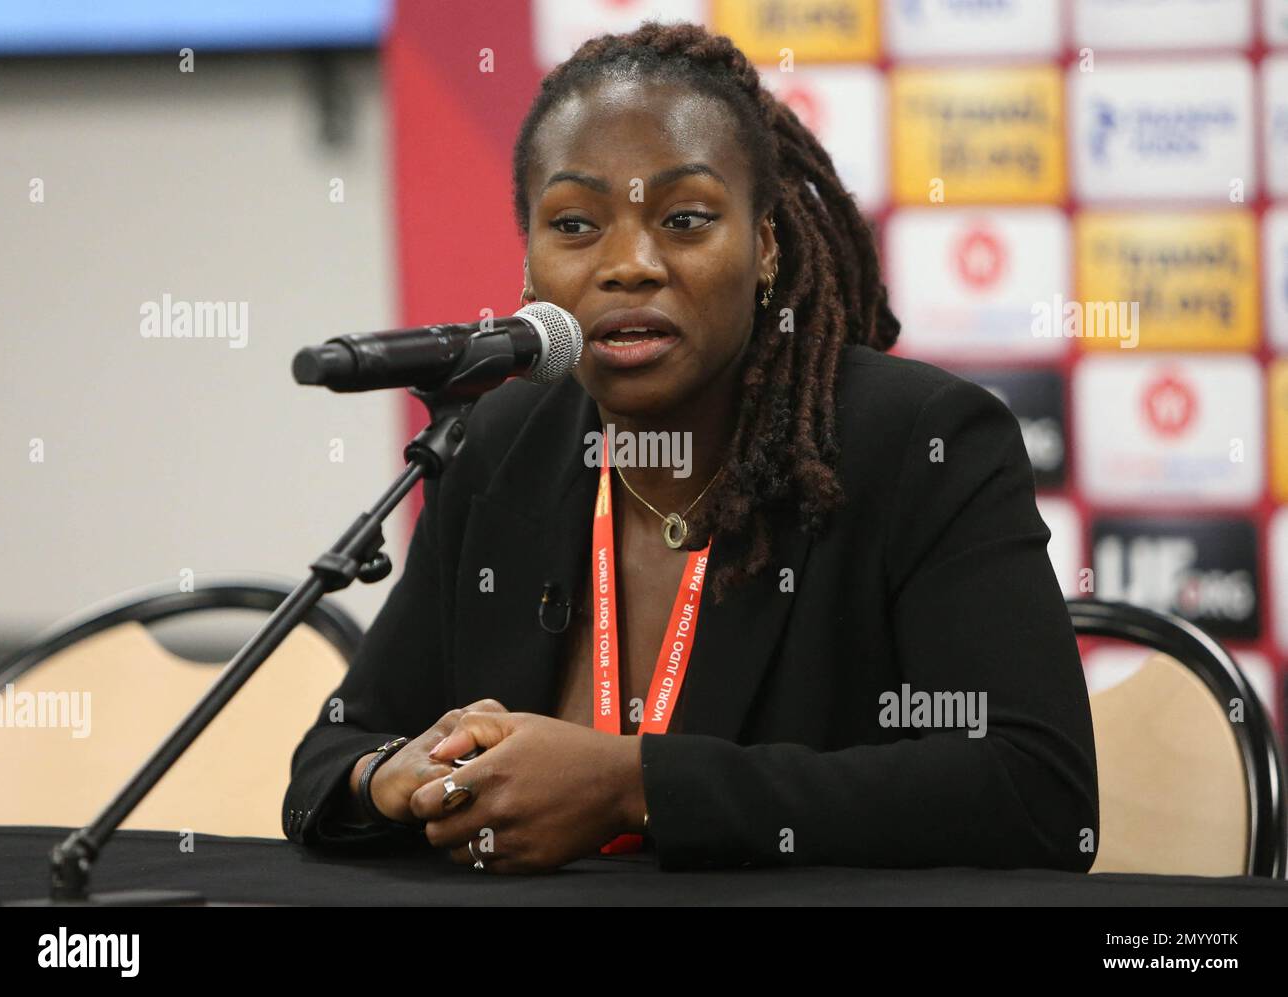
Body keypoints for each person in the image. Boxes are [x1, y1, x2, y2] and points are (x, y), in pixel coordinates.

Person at [281, 21, 1098, 874]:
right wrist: (390, 777)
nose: (629, 264)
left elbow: (1037, 794)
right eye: (573, 223)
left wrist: (634, 784)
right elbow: (332, 758)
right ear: (529, 265)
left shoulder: (921, 443)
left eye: (684, 218)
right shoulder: (502, 441)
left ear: (765, 244)